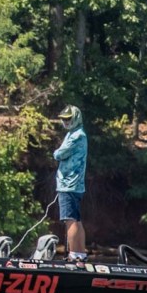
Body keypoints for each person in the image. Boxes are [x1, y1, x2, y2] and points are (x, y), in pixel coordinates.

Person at [52, 105, 88, 261]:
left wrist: (56, 152)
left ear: (76, 118)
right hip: (75, 185)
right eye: (63, 119)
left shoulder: (76, 136)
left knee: (70, 220)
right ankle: (81, 254)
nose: (65, 122)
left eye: (68, 119)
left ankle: (74, 255)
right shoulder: (76, 133)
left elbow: (59, 154)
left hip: (69, 184)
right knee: (77, 220)